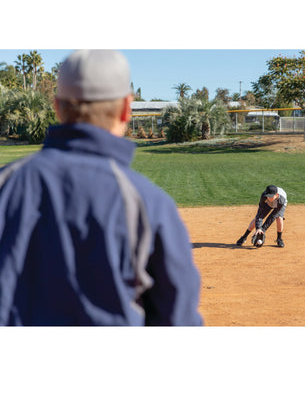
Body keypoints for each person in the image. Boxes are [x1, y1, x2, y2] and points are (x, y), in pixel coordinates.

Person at [0, 50, 203, 326]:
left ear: (57, 106)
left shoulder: (6, 184)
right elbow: (177, 319)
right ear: (125, 108)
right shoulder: (148, 203)